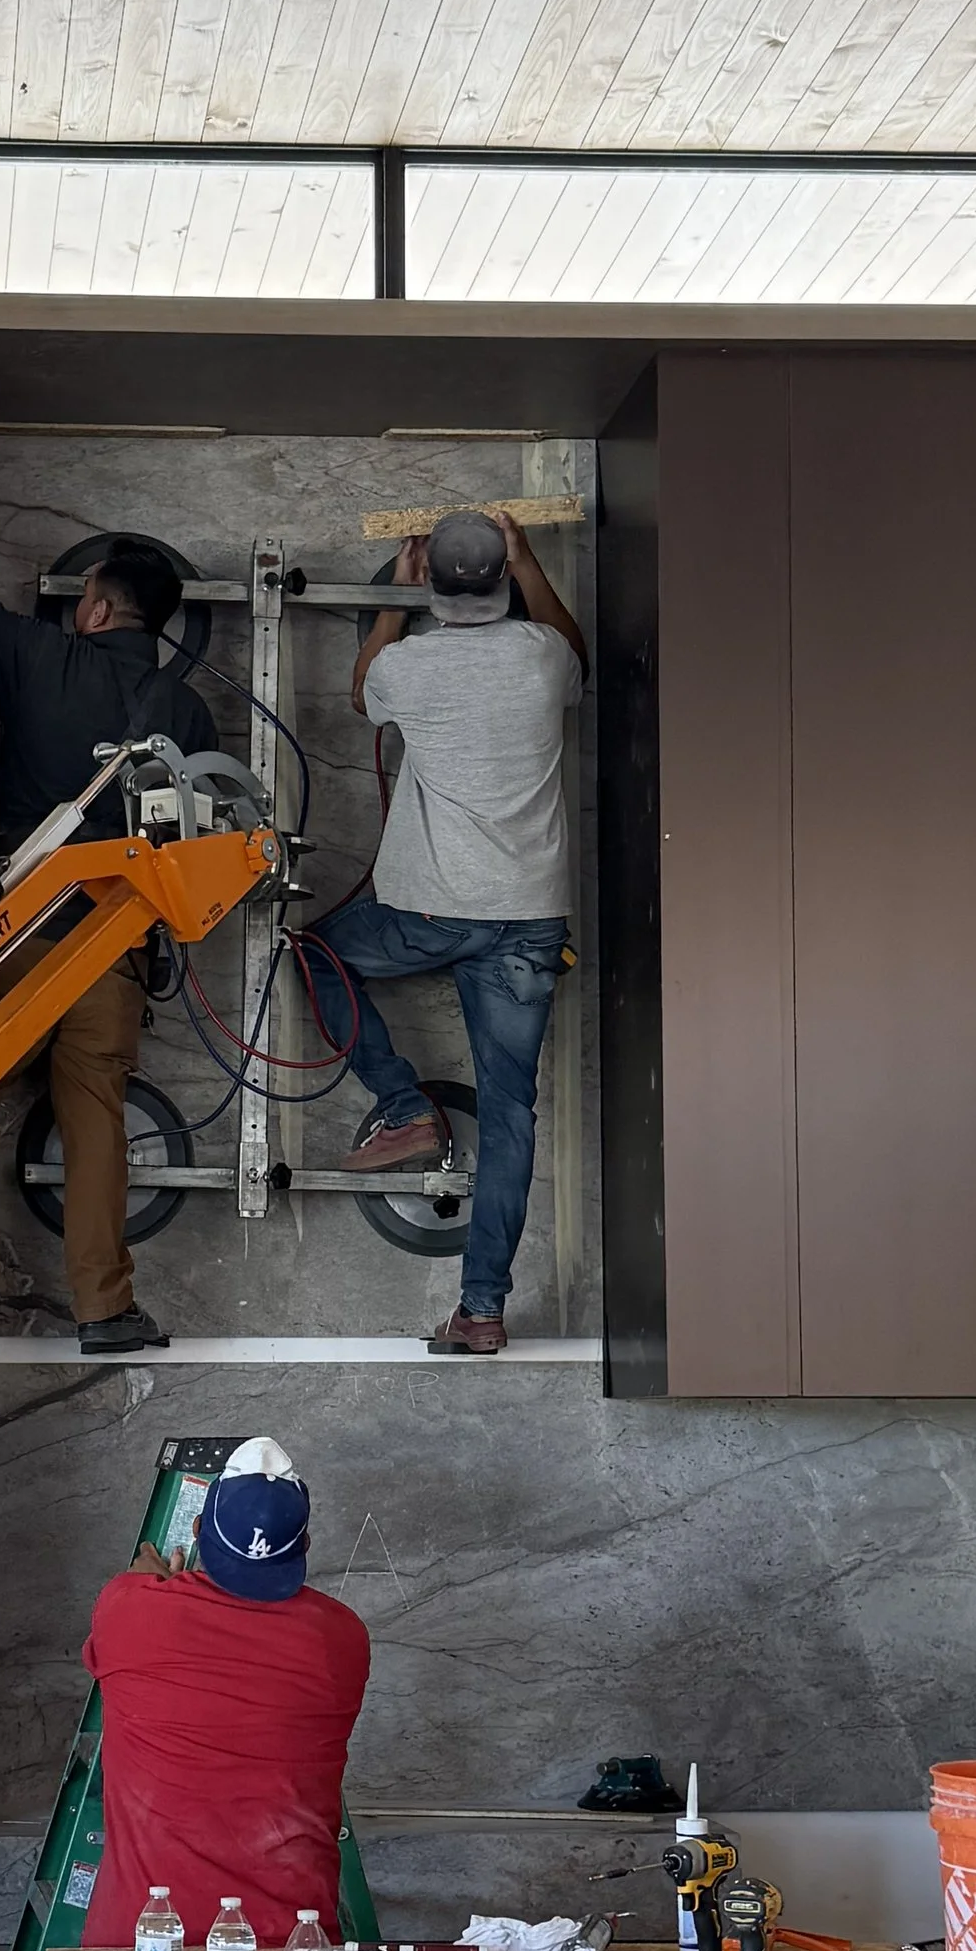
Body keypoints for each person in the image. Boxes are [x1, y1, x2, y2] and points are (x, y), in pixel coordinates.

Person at [0, 470, 217, 1354]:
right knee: (95, 1122)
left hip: (18, 933)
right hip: (113, 946)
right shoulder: (186, 713)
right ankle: (105, 1308)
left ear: (98, 609)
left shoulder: (41, 657)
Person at [303, 505, 585, 1357]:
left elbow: (362, 690)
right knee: (509, 1114)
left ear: (433, 585)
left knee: (316, 951)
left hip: (426, 914)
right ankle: (482, 1310)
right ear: (506, 580)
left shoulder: (408, 666)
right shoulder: (544, 660)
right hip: (529, 921)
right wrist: (531, 559)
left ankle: (402, 1105)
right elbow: (574, 649)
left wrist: (393, 592)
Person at [79, 1439, 371, 1946]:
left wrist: (155, 1585)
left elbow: (137, 1592)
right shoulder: (342, 1639)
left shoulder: (127, 1613)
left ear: (197, 1530)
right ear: (303, 1546)